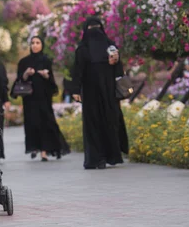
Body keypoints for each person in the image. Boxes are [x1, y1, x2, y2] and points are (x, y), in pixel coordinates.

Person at [71, 17, 129, 169]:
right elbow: (78, 71)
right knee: (99, 123)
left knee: (106, 122)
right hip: (94, 93)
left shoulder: (110, 48)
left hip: (106, 92)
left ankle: (106, 156)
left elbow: (119, 71)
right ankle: (100, 158)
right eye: (92, 28)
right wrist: (76, 90)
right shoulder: (84, 50)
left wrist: (116, 61)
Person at [17, 36, 70, 162]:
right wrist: (26, 74)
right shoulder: (24, 62)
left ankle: (45, 151)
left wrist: (46, 75)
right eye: (33, 43)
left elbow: (52, 82)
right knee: (32, 123)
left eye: (37, 42)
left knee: (46, 122)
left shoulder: (46, 60)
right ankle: (35, 147)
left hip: (44, 98)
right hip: (30, 99)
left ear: (42, 45)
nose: (35, 45)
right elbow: (19, 80)